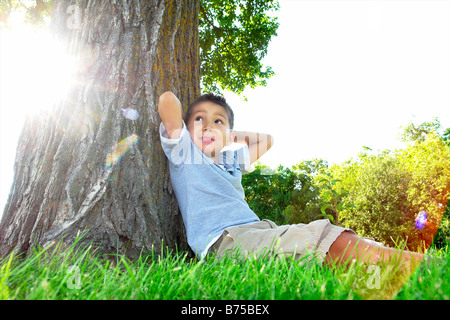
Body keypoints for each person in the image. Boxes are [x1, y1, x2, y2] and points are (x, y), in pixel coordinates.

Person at [157, 91, 425, 268]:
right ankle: (420, 267)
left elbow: (266, 141)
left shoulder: (231, 163)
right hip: (227, 241)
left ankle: (403, 262)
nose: (207, 126)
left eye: (218, 121)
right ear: (186, 126)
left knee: (334, 240)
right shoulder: (185, 153)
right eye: (199, 119)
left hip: (259, 229)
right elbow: (168, 100)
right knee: (321, 239)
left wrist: (226, 133)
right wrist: (197, 127)